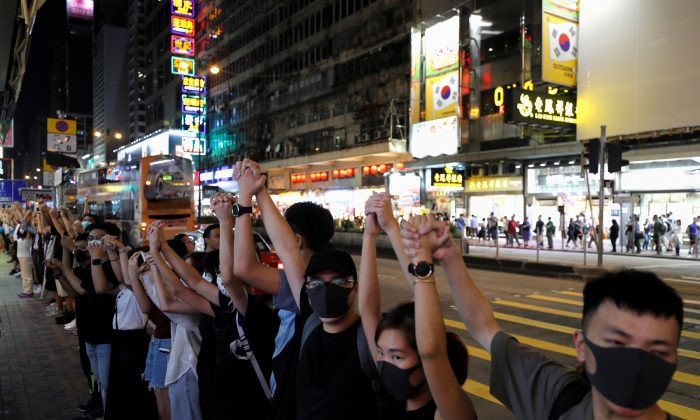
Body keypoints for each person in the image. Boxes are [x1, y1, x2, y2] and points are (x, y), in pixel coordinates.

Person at [401, 218, 683, 420]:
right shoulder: (555, 395)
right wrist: (449, 255)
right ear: (582, 346)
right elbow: (483, 327)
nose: (635, 365)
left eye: (657, 351)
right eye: (618, 342)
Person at [360, 194, 475, 419]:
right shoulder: (390, 396)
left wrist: (422, 259)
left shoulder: (448, 411)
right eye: (382, 353)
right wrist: (372, 233)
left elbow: (432, 350)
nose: (383, 362)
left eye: (398, 357)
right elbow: (368, 311)